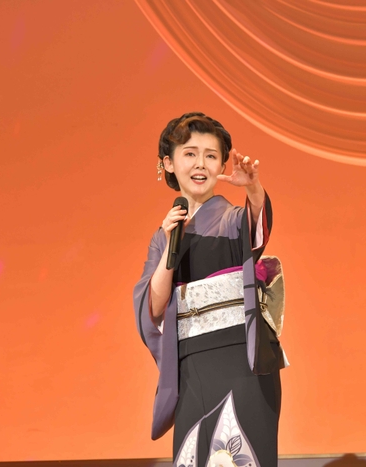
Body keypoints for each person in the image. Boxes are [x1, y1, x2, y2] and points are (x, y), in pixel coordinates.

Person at [133, 112, 287, 467]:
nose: (200, 164)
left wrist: (253, 190)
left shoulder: (232, 219)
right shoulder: (163, 237)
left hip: (240, 361)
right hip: (191, 367)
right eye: (189, 154)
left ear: (221, 166)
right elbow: (153, 308)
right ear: (168, 164)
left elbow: (256, 231)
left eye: (211, 155)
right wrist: (170, 245)